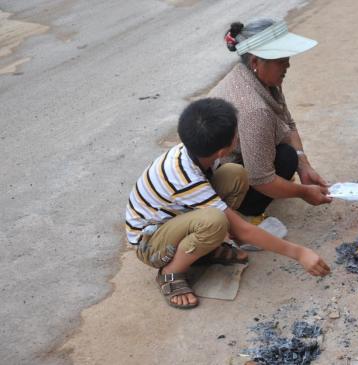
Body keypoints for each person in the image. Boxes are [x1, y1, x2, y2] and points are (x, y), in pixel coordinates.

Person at [125, 98, 330, 310]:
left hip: (174, 218)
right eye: (236, 134)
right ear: (223, 150)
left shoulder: (199, 153)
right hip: (149, 242)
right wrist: (300, 253)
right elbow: (242, 231)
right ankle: (170, 273)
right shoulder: (184, 177)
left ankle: (204, 247)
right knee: (215, 222)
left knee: (235, 174)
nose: (238, 135)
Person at [209, 19, 332, 223]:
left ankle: (280, 183)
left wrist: (304, 166)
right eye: (280, 60)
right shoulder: (255, 110)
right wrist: (303, 192)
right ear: (255, 62)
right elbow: (260, 179)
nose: (288, 65)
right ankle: (247, 211)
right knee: (286, 157)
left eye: (287, 58)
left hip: (238, 161)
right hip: (223, 182)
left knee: (292, 156)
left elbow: (288, 124)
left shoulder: (260, 79)